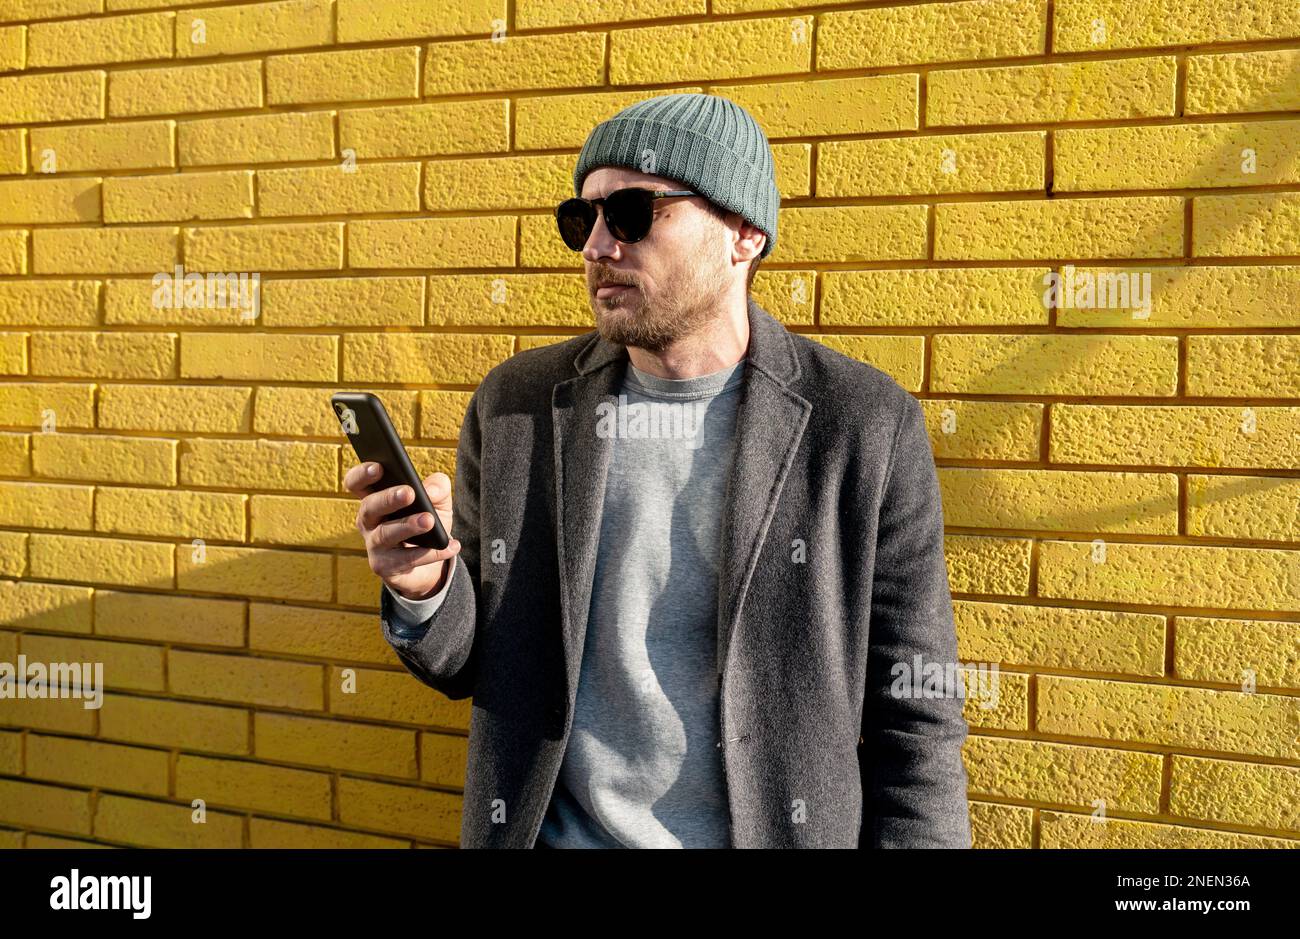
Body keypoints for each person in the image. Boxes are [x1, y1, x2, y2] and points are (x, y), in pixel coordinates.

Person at [344, 92, 972, 849]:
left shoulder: (863, 426)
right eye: (584, 219)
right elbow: (472, 663)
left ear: (744, 234)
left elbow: (918, 718)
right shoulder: (516, 409)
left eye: (634, 213)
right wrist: (425, 591)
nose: (597, 246)